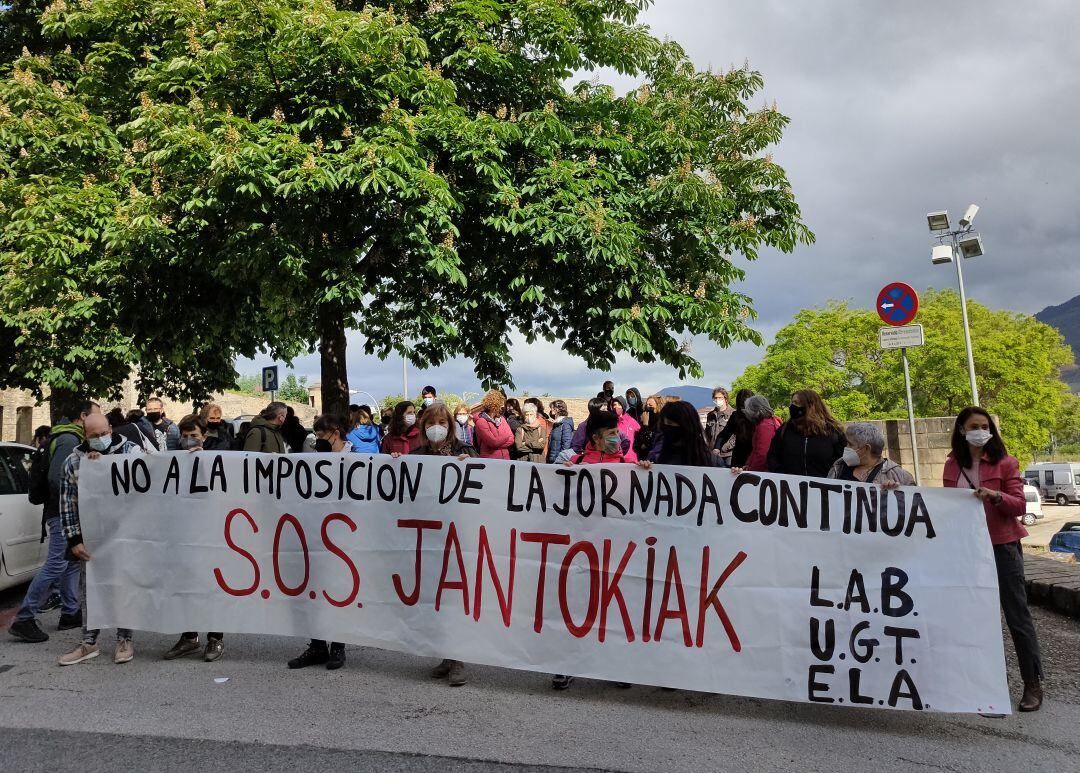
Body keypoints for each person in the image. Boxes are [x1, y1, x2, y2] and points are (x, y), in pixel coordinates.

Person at [943, 407, 1043, 712]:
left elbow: (1018, 505)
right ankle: (973, 682)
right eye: (974, 426)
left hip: (1002, 546)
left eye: (985, 426)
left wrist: (996, 496)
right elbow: (947, 504)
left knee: (1017, 615)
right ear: (961, 429)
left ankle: (1033, 684)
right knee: (968, 615)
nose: (980, 430)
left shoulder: (1006, 462)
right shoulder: (951, 465)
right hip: (967, 549)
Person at [8, 401, 100, 644]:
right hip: (61, 513)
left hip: (58, 511)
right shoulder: (69, 440)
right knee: (57, 563)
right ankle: (25, 617)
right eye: (96, 416)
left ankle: (70, 612)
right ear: (83, 416)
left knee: (70, 561)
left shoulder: (60, 436)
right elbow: (59, 479)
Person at [57, 412, 144, 666]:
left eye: (104, 434)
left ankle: (124, 639)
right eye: (94, 436)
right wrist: (74, 540)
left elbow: (145, 486)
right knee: (90, 590)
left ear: (111, 428)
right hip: (92, 538)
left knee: (123, 586)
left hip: (125, 535)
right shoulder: (73, 461)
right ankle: (89, 642)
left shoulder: (131, 451)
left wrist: (105, 465)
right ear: (86, 436)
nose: (100, 439)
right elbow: (68, 505)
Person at [405, 402, 478, 686]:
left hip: (459, 537)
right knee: (437, 598)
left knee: (456, 598)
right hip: (430, 536)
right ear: (423, 428)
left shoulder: (466, 452)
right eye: (431, 423)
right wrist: (397, 462)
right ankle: (447, 656)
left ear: (451, 425)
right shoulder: (417, 455)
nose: (437, 428)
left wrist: (470, 467)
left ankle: (458, 658)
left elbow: (487, 486)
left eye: (443, 423)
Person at [554, 409, 626, 690]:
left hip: (613, 548)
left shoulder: (628, 464)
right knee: (574, 606)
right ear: (596, 437)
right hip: (579, 549)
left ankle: (614, 665)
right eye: (611, 433)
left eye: (616, 432)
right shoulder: (574, 461)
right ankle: (566, 664)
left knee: (612, 608)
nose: (616, 437)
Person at [288, 415, 355, 671]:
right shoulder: (312, 456)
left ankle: (338, 646)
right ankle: (317, 646)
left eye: (322, 435)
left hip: (344, 532)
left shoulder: (357, 456)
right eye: (316, 435)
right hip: (315, 530)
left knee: (339, 589)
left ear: (336, 433)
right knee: (313, 588)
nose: (318, 440)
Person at [163, 415, 228, 662]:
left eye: (194, 436)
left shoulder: (219, 455)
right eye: (185, 436)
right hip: (184, 532)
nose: (189, 441)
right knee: (186, 584)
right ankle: (189, 637)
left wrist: (205, 460)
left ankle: (215, 637)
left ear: (204, 435)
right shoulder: (173, 459)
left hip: (212, 532)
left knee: (212, 585)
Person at [766, 389, 845, 478]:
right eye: (792, 402)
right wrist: (781, 475)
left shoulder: (833, 430)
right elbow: (772, 457)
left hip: (824, 488)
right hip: (790, 487)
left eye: (796, 403)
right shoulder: (785, 429)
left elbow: (842, 461)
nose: (792, 406)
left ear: (810, 406)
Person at [826, 422, 915, 487]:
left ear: (866, 448)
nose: (846, 447)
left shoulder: (899, 477)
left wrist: (896, 491)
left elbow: (912, 507)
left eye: (850, 444)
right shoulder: (839, 466)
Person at [638, 401, 715, 468]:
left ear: (687, 426)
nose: (667, 428)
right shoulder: (657, 458)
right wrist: (644, 469)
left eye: (671, 423)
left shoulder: (712, 461)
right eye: (665, 424)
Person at [736, 395, 781, 473]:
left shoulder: (765, 426)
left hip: (764, 471)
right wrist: (748, 464)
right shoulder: (769, 422)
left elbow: (762, 454)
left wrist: (751, 471)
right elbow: (756, 450)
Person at [714, 389, 754, 469]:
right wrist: (717, 448)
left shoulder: (739, 416)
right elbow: (724, 434)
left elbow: (724, 434)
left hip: (748, 455)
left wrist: (717, 447)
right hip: (740, 456)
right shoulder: (736, 416)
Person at [473, 391, 514, 460]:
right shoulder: (481, 422)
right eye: (500, 405)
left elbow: (512, 439)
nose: (503, 407)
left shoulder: (502, 419)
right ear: (493, 405)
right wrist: (506, 435)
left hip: (506, 460)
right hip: (490, 461)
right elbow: (493, 442)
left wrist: (497, 444)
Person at [703, 388, 735, 466]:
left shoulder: (733, 414)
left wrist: (726, 447)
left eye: (720, 398)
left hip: (729, 454)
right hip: (713, 453)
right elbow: (707, 434)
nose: (717, 400)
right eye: (715, 398)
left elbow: (736, 435)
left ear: (725, 399)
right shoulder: (710, 415)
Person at [609, 396, 641, 463]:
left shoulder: (631, 421)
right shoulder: (610, 422)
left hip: (631, 460)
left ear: (623, 406)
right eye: (614, 405)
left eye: (619, 404)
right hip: (615, 460)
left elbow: (640, 434)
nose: (616, 407)